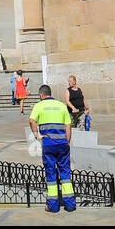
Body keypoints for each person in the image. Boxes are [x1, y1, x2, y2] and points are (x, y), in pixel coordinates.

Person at [29, 84, 76, 213]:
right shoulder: (61, 105)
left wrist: (37, 136)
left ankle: (53, 205)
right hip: (63, 144)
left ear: (41, 95)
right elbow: (68, 125)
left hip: (49, 145)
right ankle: (70, 204)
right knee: (65, 174)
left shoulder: (39, 106)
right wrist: (67, 141)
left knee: (51, 174)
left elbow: (32, 121)